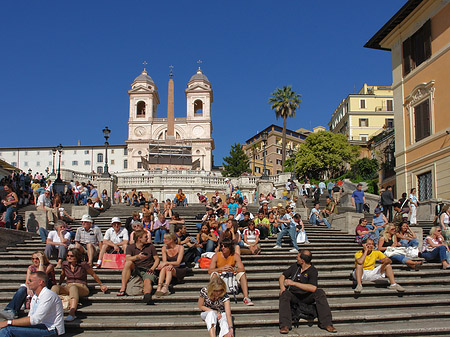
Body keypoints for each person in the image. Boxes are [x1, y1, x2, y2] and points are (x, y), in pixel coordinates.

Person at [278, 250, 336, 334]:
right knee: (285, 294)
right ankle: (285, 325)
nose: (296, 258)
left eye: (297, 257)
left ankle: (327, 323)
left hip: (307, 297)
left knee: (320, 292)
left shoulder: (313, 270)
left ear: (303, 261)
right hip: (294, 296)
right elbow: (282, 276)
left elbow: (313, 288)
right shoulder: (295, 266)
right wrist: (282, 287)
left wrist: (294, 283)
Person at [0, 271, 65, 336]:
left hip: (51, 330)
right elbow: (30, 317)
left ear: (40, 282)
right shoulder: (35, 296)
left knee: (7, 331)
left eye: (30, 281)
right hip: (40, 326)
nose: (27, 283)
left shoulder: (48, 295)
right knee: (6, 328)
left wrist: (9, 322)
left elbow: (35, 319)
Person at [52, 248, 107, 321]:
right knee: (55, 287)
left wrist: (101, 284)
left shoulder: (83, 264)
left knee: (73, 287)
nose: (69, 257)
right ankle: (50, 310)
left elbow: (93, 274)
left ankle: (72, 313)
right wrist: (59, 285)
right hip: (68, 285)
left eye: (71, 256)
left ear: (76, 257)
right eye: (68, 256)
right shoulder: (65, 264)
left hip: (81, 286)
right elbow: (62, 275)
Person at [0, 252, 55, 320]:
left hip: (45, 287)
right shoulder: (31, 268)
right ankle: (10, 311)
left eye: (37, 258)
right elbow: (27, 281)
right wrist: (29, 288)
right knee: (22, 289)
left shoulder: (49, 266)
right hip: (34, 287)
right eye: (33, 259)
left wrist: (41, 262)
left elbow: (41, 276)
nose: (35, 260)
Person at [117, 230, 160, 304]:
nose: (148, 238)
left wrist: (152, 268)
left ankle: (147, 295)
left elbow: (157, 259)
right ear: (139, 238)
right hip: (136, 269)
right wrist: (137, 257)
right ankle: (123, 288)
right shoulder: (131, 247)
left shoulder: (150, 246)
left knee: (147, 280)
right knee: (128, 263)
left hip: (147, 269)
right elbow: (127, 258)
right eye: (145, 237)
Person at [208, 239, 254, 306]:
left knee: (242, 274)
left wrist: (233, 269)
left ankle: (246, 297)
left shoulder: (235, 256)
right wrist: (221, 269)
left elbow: (242, 269)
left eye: (225, 246)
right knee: (214, 274)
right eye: (222, 246)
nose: (223, 248)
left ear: (229, 248)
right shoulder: (216, 256)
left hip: (231, 276)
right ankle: (215, 298)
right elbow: (210, 271)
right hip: (220, 276)